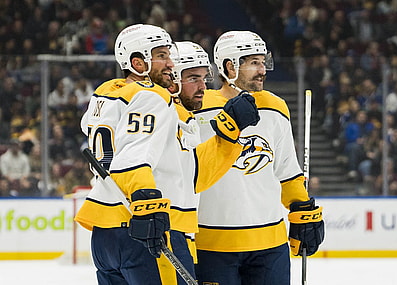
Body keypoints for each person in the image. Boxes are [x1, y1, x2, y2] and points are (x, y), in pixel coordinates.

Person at [75, 24, 259, 285]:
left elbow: (190, 175)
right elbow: (133, 156)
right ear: (138, 63)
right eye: (162, 56)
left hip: (106, 234)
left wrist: (229, 132)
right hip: (146, 226)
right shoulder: (152, 97)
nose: (171, 64)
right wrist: (146, 202)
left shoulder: (109, 96)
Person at [193, 31, 325, 285]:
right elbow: (189, 171)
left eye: (263, 62)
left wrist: (302, 208)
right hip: (213, 244)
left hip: (270, 244)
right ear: (229, 66)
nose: (262, 69)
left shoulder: (275, 106)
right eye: (253, 62)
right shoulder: (198, 107)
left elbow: (287, 169)